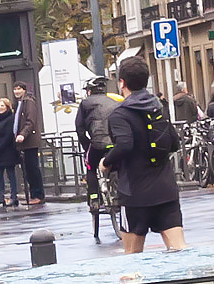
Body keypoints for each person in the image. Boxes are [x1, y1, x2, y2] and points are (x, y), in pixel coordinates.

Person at [102, 57, 186, 253]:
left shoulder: (119, 114)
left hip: (135, 194)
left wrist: (106, 162)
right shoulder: (159, 107)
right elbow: (174, 142)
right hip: (166, 191)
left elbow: (124, 144)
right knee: (180, 252)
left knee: (132, 259)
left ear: (121, 82)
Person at [75, 76, 122, 241]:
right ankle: (120, 193)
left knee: (90, 167)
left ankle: (94, 199)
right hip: (115, 142)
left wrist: (87, 145)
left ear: (89, 90)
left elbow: (79, 128)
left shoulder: (85, 103)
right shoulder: (113, 101)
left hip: (97, 143)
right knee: (118, 165)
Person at [10, 81, 45, 207]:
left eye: (19, 89)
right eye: (15, 89)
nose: (17, 91)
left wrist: (23, 134)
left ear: (24, 90)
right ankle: (33, 194)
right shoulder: (19, 103)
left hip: (29, 141)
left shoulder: (28, 102)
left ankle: (38, 195)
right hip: (22, 143)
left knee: (32, 169)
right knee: (27, 170)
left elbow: (30, 121)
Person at [0, 97, 19, 209]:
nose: (0, 108)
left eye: (2, 106)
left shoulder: (10, 119)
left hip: (7, 151)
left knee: (10, 174)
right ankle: (0, 198)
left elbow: (8, 136)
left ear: (7, 107)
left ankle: (13, 197)